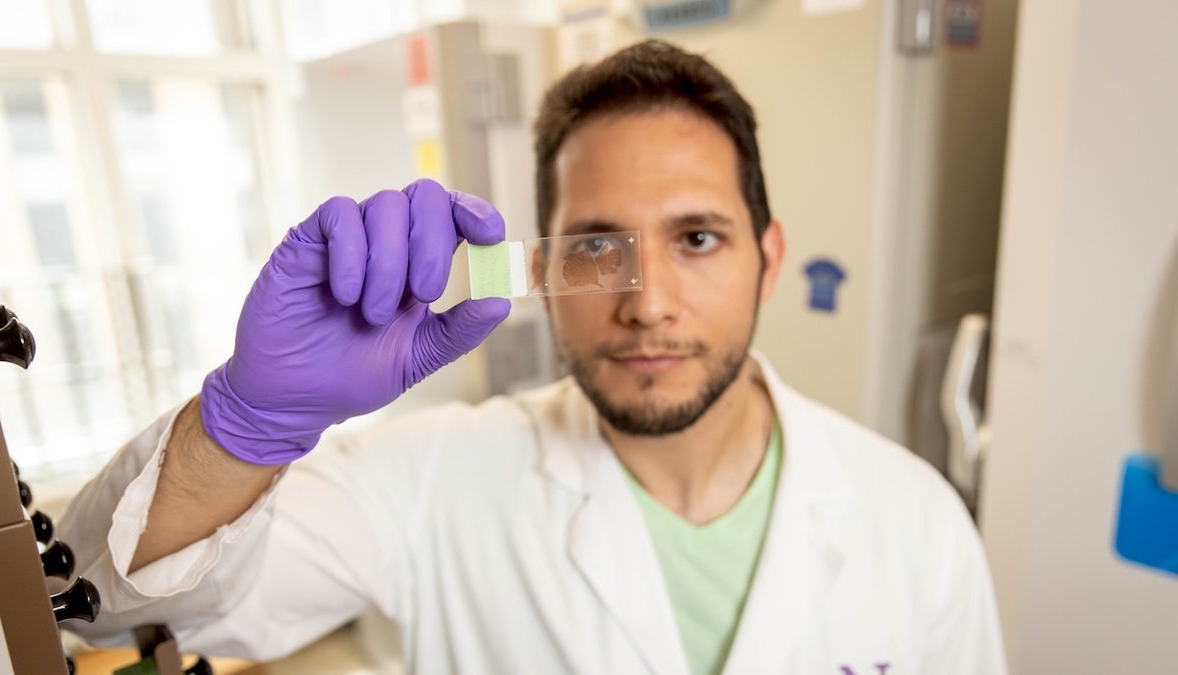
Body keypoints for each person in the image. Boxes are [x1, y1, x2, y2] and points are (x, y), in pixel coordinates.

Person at [58, 40, 1006, 674]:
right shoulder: (427, 478)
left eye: (699, 239)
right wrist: (246, 427)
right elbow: (101, 606)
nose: (646, 303)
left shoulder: (915, 521)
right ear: (542, 266)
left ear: (770, 258)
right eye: (599, 244)